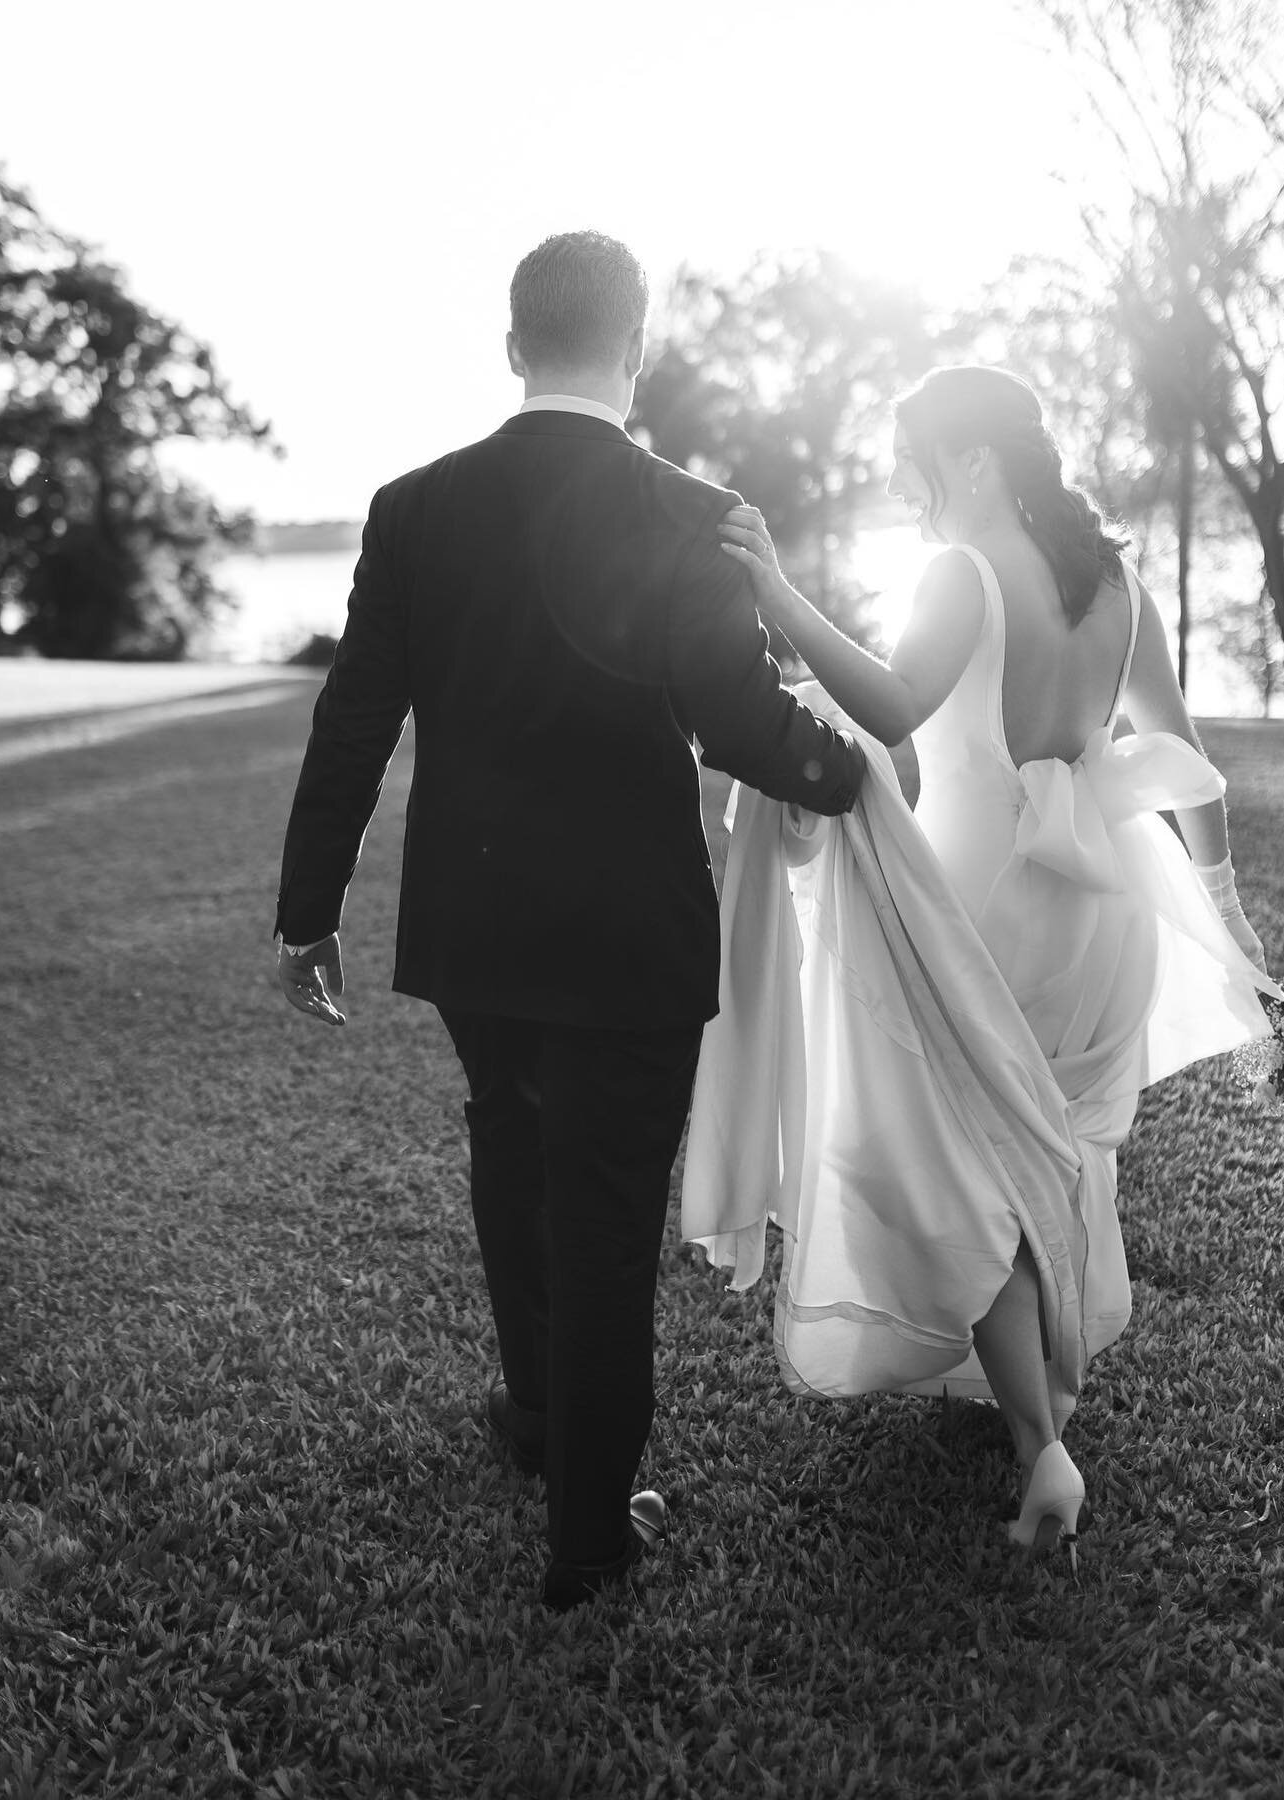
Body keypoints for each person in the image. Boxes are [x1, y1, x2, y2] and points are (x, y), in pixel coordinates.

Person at [272, 230, 866, 1610]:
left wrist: (308, 913)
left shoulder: (414, 508)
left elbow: (353, 718)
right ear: (637, 346)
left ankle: (544, 1426)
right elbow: (738, 721)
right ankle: (589, 1536)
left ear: (513, 345)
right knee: (599, 1221)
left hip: (476, 929)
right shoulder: (687, 511)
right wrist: (853, 771)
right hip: (625, 938)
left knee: (511, 1149)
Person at [685, 364, 1277, 1566]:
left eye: (913, 465)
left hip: (979, 913)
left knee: (970, 1167)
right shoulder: (1119, 584)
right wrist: (1220, 899)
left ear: (973, 462)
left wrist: (782, 600)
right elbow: (1185, 755)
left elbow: (895, 710)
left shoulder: (961, 573)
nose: (906, 492)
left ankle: (1039, 1445)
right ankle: (1037, 1397)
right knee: (1044, 1153)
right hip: (1100, 911)